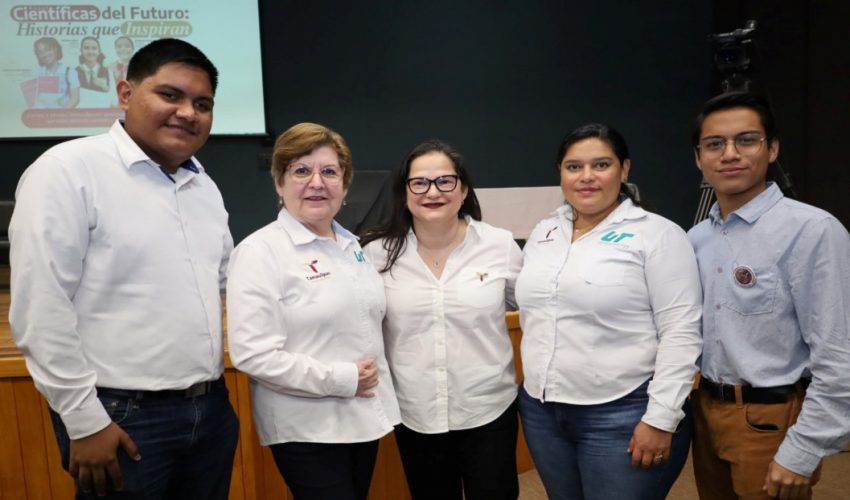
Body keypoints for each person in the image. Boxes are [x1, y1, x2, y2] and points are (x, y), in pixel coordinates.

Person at [9, 38, 238, 499]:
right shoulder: (68, 171)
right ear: (126, 94)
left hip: (210, 410)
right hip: (121, 418)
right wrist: (83, 420)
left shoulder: (202, 186)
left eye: (202, 103)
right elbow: (40, 307)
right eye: (170, 95)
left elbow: (227, 280)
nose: (188, 112)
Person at [516, 123, 703, 500]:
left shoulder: (658, 235)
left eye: (601, 165)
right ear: (560, 172)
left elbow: (681, 331)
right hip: (542, 410)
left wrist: (661, 418)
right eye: (574, 167)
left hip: (623, 412)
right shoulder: (544, 232)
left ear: (625, 169)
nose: (586, 177)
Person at [688, 91, 850, 500]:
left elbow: (839, 355)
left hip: (770, 420)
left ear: (772, 148)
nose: (729, 154)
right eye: (714, 144)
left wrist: (804, 450)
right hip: (705, 413)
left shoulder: (812, 230)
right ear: (699, 158)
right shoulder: (695, 239)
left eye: (746, 140)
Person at [226, 122, 401, 500]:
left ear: (345, 184)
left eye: (329, 171)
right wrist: (342, 378)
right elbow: (252, 354)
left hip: (362, 419)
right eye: (301, 171)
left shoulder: (352, 246)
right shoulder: (260, 252)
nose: (317, 182)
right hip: (308, 428)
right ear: (278, 183)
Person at [360, 140, 523, 500]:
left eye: (445, 181)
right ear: (404, 192)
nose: (432, 192)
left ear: (463, 189)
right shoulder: (375, 254)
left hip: (488, 410)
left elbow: (531, 308)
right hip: (417, 413)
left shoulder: (500, 246)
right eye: (419, 182)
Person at [31, 36, 80, 108]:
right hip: (42, 116)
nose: (44, 54)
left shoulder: (70, 73)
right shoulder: (37, 73)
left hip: (62, 116)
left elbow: (75, 99)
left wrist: (59, 115)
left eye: (47, 49)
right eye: (40, 52)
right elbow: (34, 100)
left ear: (56, 49)